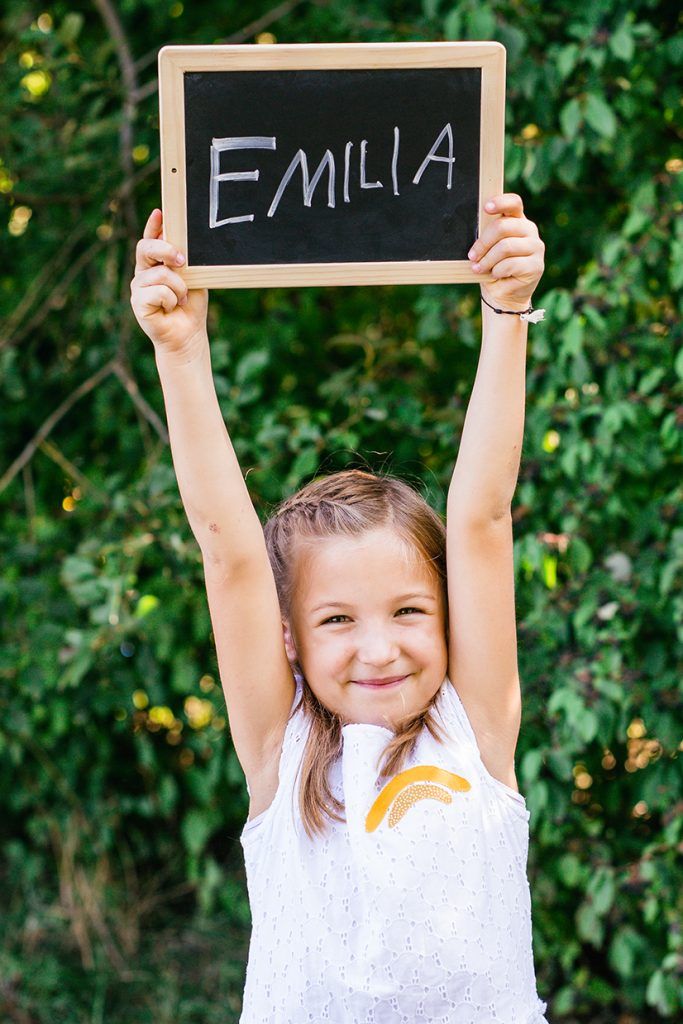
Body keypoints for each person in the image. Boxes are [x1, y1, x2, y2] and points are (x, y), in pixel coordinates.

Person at [130, 193, 548, 1024]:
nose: (379, 648)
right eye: (336, 620)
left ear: (448, 617)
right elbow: (230, 550)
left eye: (407, 612)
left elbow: (482, 516)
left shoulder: (475, 732)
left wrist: (505, 310)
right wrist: (179, 350)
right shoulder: (277, 755)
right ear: (287, 638)